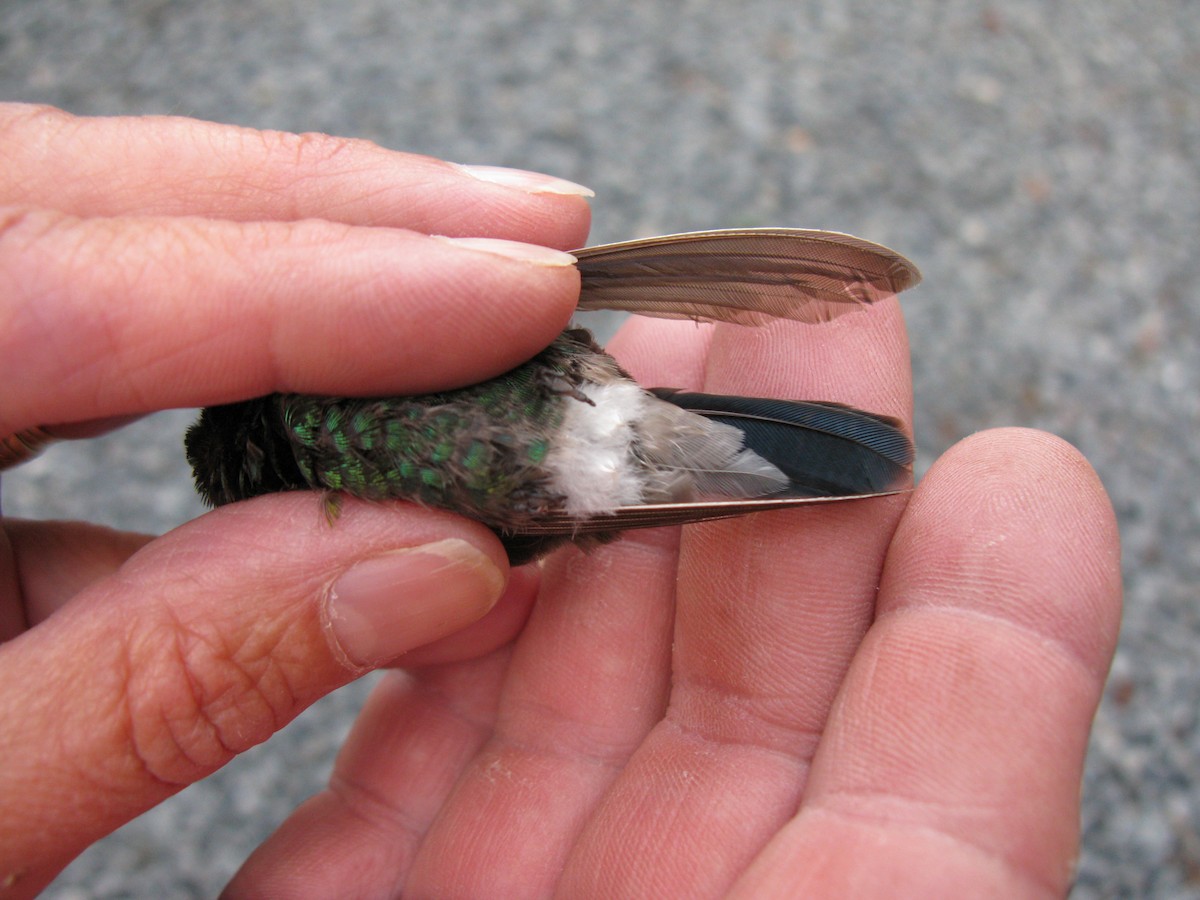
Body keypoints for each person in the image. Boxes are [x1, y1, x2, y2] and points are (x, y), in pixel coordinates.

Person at [0, 102, 1121, 898]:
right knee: (690, 451)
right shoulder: (305, 410)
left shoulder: (304, 427)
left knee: (671, 441)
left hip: (562, 454)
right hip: (564, 449)